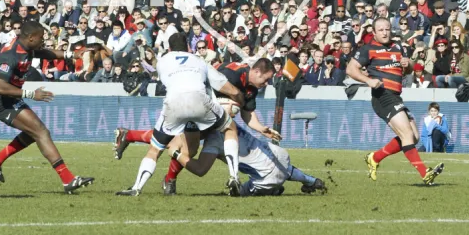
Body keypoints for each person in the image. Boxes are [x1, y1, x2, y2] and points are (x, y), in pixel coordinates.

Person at [114, 57, 278, 195]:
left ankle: (131, 139)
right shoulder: (232, 74)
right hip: (197, 106)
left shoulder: (252, 89)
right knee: (179, 143)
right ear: (256, 72)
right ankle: (167, 177)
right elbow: (210, 83)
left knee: (186, 149)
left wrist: (261, 128)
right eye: (266, 79)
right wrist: (225, 104)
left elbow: (247, 114)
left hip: (210, 117)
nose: (267, 83)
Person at [116, 33, 246, 197]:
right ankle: (234, 177)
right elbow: (225, 86)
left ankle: (136, 188)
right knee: (230, 128)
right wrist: (240, 98)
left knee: (155, 149)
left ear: (169, 48)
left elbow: (158, 70)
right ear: (189, 47)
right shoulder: (199, 61)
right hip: (199, 100)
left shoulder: (162, 61)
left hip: (173, 103)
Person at [0, 21, 94, 193]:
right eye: (41, 37)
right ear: (31, 37)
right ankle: (68, 179)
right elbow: (1, 87)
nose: (44, 40)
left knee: (33, 133)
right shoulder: (10, 54)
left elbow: (45, 53)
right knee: (41, 132)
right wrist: (32, 94)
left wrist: (72, 54)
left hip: (10, 97)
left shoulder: (28, 47)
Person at [346, 18, 444, 185]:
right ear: (374, 33)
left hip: (396, 97)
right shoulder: (368, 49)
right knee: (406, 134)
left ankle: (375, 157)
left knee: (413, 138)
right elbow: (350, 69)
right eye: (381, 30)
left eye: (387, 29)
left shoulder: (398, 47)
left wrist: (409, 64)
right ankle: (424, 173)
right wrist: (368, 81)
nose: (385, 32)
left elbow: (410, 69)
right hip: (382, 96)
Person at [170, 126, 325, 197]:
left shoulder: (212, 142)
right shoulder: (227, 121)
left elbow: (200, 169)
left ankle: (273, 190)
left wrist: (175, 153)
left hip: (266, 178)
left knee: (235, 194)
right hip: (280, 155)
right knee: (277, 165)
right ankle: (311, 180)